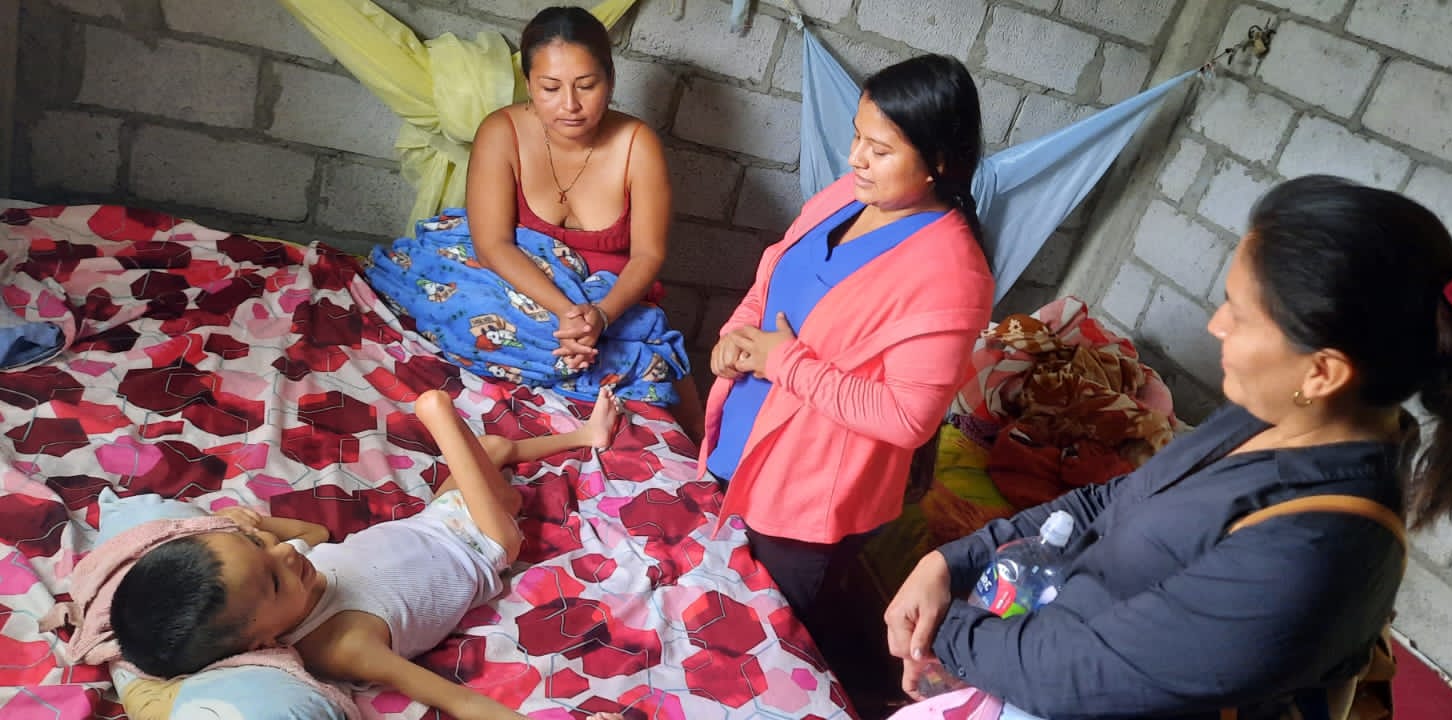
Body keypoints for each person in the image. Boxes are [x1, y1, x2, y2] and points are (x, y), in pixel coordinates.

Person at [884, 175, 1452, 719]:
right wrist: (953, 563)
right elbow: (1118, 499)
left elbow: (1083, 675)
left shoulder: (1316, 552)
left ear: (1321, 372)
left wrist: (947, 631)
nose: (1216, 325)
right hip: (1038, 650)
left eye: (1239, 315)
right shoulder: (1269, 418)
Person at [697, 54, 994, 644]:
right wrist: (736, 334)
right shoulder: (845, 197)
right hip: (739, 447)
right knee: (699, 608)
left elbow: (907, 417)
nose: (855, 158)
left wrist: (784, 362)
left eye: (879, 150)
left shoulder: (952, 273)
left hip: (803, 503)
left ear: (938, 162)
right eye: (857, 137)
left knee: (751, 645)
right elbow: (773, 278)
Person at [110, 389, 620, 720]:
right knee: (471, 450)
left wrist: (258, 525)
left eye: (259, 547)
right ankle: (438, 417)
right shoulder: (339, 645)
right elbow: (459, 700)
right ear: (261, 641)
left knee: (492, 451)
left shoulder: (293, 574)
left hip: (433, 519)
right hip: (483, 547)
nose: (286, 553)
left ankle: (586, 436)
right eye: (273, 578)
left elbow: (313, 532)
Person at [465, 6, 703, 435]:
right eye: (550, 88)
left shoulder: (637, 145)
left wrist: (600, 317)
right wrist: (567, 313)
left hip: (611, 301)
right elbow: (492, 244)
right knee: (479, 318)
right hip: (523, 286)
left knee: (649, 359)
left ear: (610, 81)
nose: (570, 105)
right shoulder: (501, 133)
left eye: (587, 86)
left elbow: (648, 255)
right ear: (528, 84)